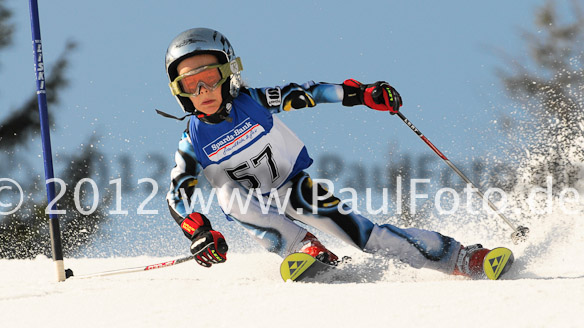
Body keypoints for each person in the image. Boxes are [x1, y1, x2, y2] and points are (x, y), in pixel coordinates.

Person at [163, 27, 495, 279]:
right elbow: (177, 194)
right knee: (228, 196)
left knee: (366, 236)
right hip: (251, 202)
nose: (203, 91)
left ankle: (460, 258)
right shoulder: (193, 141)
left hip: (292, 187)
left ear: (228, 74)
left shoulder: (254, 102)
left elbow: (309, 93)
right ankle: (306, 250)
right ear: (179, 93)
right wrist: (199, 232)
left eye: (209, 77)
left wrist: (360, 94)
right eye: (190, 85)